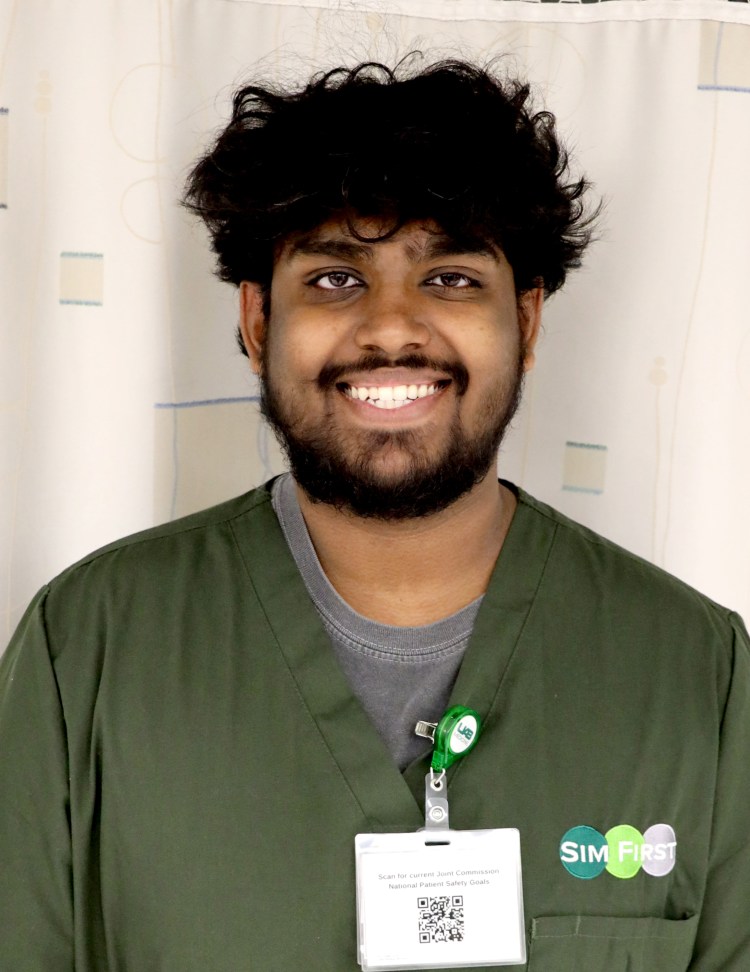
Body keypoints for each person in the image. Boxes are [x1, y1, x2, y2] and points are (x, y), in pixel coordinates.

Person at [1, 57, 748, 972]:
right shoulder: (87, 651)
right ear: (257, 322)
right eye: (335, 280)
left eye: (451, 278)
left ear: (530, 320)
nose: (393, 327)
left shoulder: (698, 676)